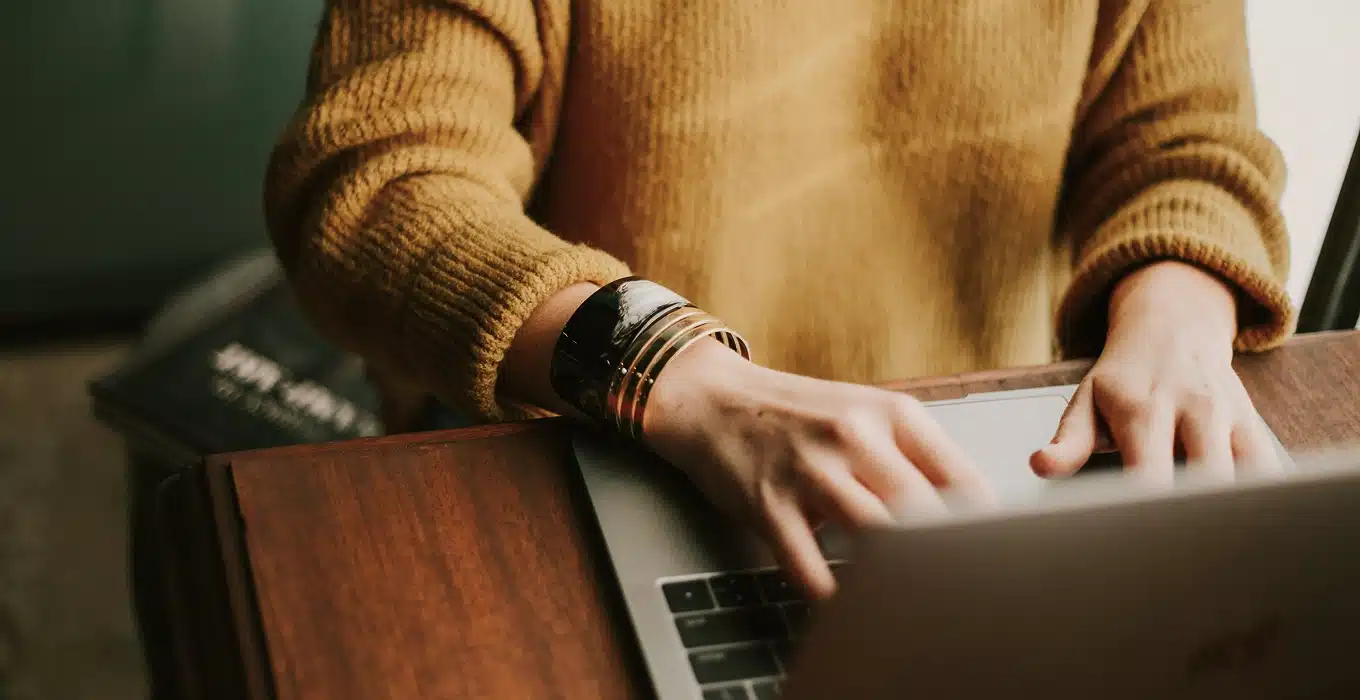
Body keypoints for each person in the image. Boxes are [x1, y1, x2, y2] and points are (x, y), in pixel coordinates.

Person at [264, 0, 1293, 599]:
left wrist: (1179, 307)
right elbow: (376, 177)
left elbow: (1185, 140)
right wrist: (673, 371)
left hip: (974, 480)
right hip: (594, 451)